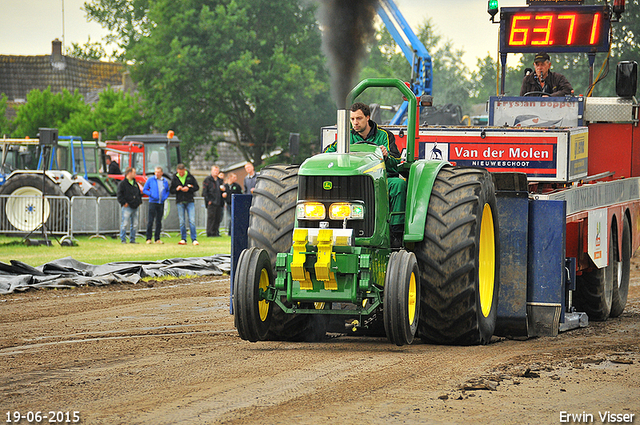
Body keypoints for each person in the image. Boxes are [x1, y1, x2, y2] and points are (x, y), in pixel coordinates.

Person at [324, 102, 406, 247]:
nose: (355, 122)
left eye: (359, 118)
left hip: (382, 179)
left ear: (368, 117)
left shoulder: (385, 136)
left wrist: (386, 156)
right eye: (352, 119)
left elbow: (397, 161)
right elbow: (327, 153)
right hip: (354, 181)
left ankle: (396, 232)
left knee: (399, 185)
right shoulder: (346, 137)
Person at [170, 163, 200, 245]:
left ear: (185, 170)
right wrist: (177, 189)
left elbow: (197, 187)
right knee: (182, 221)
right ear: (177, 171)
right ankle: (183, 238)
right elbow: (171, 190)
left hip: (190, 201)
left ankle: (194, 239)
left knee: (192, 220)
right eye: (180, 172)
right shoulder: (175, 178)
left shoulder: (190, 177)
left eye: (182, 172)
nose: (181, 174)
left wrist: (189, 189)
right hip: (180, 201)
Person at [143, 166, 170, 244]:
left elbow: (167, 190)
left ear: (161, 173)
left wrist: (165, 197)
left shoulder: (164, 181)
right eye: (156, 172)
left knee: (159, 221)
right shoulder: (150, 180)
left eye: (158, 172)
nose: (157, 174)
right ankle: (148, 238)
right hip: (153, 202)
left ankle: (157, 238)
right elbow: (145, 189)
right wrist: (151, 194)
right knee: (150, 220)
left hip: (160, 203)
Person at [117, 167, 142, 244]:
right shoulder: (122, 184)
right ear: (129, 173)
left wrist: (139, 201)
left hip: (135, 206)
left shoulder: (135, 183)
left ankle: (132, 239)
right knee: (124, 223)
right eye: (134, 172)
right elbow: (119, 194)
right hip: (127, 206)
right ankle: (123, 239)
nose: (135, 174)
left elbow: (138, 193)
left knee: (135, 224)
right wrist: (124, 202)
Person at [202, 165, 225, 237]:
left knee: (217, 218)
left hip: (219, 202)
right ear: (211, 171)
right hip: (211, 202)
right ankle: (210, 232)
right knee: (211, 218)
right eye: (214, 170)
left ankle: (215, 232)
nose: (216, 172)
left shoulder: (219, 180)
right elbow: (204, 192)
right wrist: (209, 200)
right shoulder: (207, 180)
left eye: (217, 171)